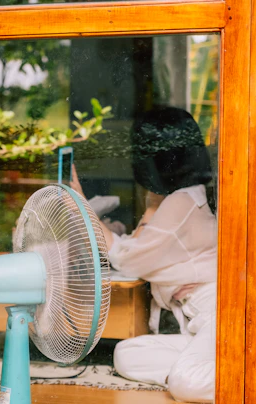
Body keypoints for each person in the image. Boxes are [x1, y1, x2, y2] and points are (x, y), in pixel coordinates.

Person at [71, 107, 217, 403]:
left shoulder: (182, 201)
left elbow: (128, 259)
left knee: (185, 384)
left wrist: (81, 203)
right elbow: (141, 249)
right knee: (126, 354)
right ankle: (199, 371)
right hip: (197, 322)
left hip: (218, 315)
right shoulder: (188, 196)